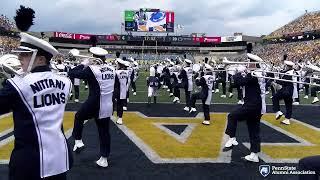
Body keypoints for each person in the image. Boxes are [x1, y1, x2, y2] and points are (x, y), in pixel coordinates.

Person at [0, 32, 73, 179]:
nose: (19, 58)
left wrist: (9, 80)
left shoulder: (18, 84)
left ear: (40, 59)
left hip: (29, 161)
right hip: (59, 157)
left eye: (25, 55)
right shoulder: (66, 82)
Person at [69, 47, 114, 168]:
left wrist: (83, 64)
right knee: (104, 132)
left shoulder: (91, 69)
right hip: (108, 104)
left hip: (95, 102)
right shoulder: (112, 68)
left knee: (78, 117)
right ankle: (104, 158)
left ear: (93, 57)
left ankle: (78, 141)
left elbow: (71, 73)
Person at [223, 53, 266, 163]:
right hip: (257, 105)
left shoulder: (254, 74)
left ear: (254, 63)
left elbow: (239, 82)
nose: (246, 64)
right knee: (253, 130)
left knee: (232, 116)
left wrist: (238, 72)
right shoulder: (257, 72)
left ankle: (232, 139)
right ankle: (254, 154)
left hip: (252, 105)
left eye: (249, 62)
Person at [272, 60, 295, 125]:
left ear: (288, 67)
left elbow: (283, 81)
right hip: (291, 90)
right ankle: (287, 119)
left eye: (286, 66)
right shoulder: (292, 72)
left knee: (275, 98)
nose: (285, 67)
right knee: (288, 105)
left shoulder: (288, 73)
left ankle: (278, 111)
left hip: (286, 89)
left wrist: (275, 81)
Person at [114, 58, 130, 125]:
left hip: (117, 90)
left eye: (117, 64)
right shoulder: (127, 72)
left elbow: (115, 83)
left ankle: (119, 118)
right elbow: (127, 81)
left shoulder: (116, 72)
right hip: (124, 90)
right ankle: (119, 117)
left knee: (118, 104)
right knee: (120, 104)